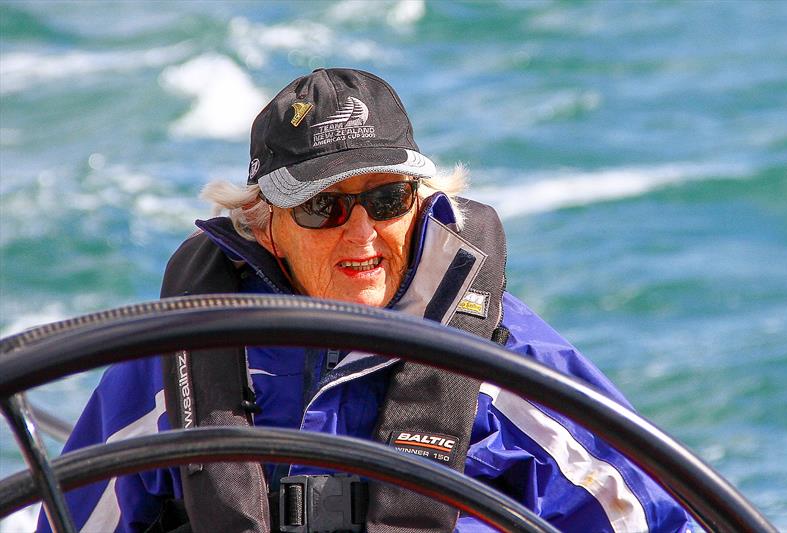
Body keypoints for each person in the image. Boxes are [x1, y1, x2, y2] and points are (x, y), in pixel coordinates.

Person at [38, 68, 690, 532]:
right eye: (323, 206)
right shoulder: (173, 359)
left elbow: (652, 514)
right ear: (263, 221)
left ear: (422, 203)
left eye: (386, 200)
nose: (362, 233)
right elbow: (71, 516)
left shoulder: (507, 359)